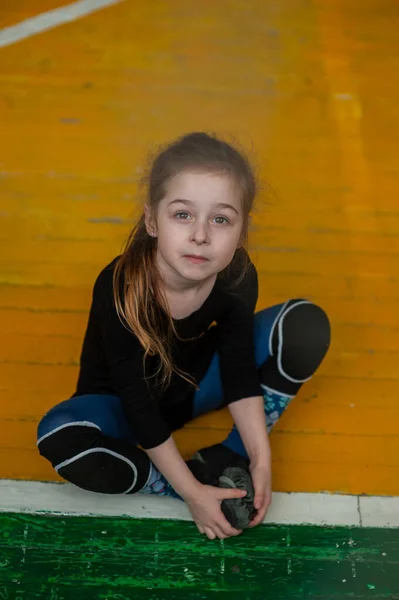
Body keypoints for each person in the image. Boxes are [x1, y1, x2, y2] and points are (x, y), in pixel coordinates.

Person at [37, 132, 331, 540]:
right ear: (151, 220)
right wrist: (191, 492)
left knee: (305, 323)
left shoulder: (237, 275)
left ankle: (230, 455)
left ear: (242, 231)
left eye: (221, 219)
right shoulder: (120, 283)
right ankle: (175, 481)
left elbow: (238, 367)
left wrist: (261, 461)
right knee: (61, 435)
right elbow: (137, 404)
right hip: (122, 406)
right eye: (182, 215)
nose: (200, 235)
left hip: (194, 389)